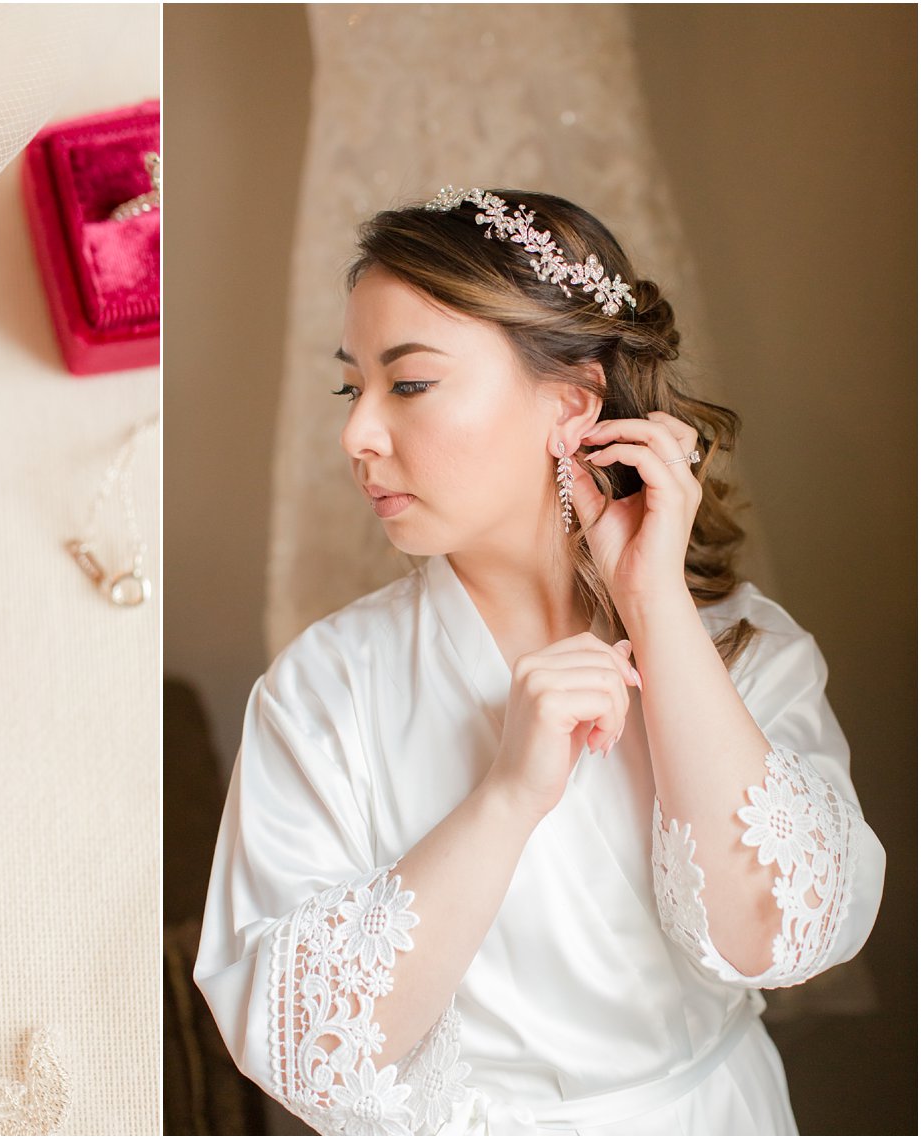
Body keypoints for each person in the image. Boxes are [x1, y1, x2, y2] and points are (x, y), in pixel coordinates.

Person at [192, 187, 886, 1135]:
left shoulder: (749, 647)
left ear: (571, 403)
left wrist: (656, 609)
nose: (356, 434)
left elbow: (782, 934)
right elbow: (297, 1041)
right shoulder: (324, 688)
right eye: (352, 387)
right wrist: (508, 793)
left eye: (410, 383)